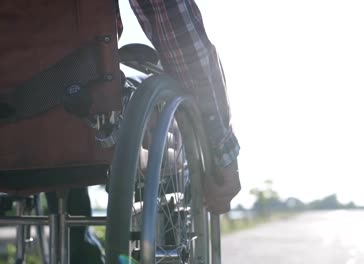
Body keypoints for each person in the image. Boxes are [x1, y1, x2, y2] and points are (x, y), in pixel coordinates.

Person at [59, 0, 241, 263]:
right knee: (148, 102)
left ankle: (79, 248)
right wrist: (221, 148)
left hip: (14, 140)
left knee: (50, 136)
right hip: (87, 116)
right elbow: (177, 30)